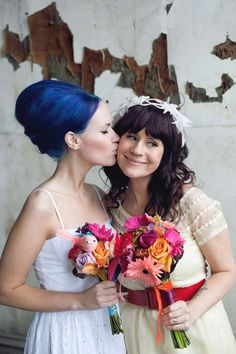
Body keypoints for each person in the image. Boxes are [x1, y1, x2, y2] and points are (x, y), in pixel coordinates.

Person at [0, 80, 126, 354]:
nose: (117, 137)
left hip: (106, 327)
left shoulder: (98, 195)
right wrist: (80, 301)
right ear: (73, 139)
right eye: (105, 130)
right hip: (64, 332)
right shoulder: (42, 204)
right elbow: (6, 289)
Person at [103, 96, 236, 353]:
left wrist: (191, 312)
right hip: (134, 329)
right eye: (131, 136)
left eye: (152, 143)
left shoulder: (191, 202)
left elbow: (226, 271)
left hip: (191, 328)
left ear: (167, 154)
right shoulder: (110, 205)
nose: (138, 150)